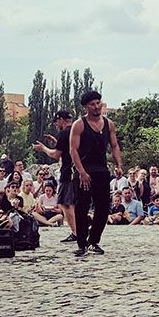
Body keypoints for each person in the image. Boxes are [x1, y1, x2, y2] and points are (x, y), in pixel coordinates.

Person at [69, 91, 122, 257]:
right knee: (82, 208)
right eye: (92, 104)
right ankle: (81, 244)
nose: (97, 106)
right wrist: (81, 172)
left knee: (103, 208)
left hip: (101, 171)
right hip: (84, 171)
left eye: (98, 103)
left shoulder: (109, 124)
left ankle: (93, 241)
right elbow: (73, 150)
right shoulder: (79, 125)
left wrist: (119, 164)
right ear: (86, 107)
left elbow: (114, 145)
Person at [33, 109, 77, 242]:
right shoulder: (76, 130)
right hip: (77, 170)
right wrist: (55, 142)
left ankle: (76, 233)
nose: (56, 125)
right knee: (72, 203)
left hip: (67, 171)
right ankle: (78, 231)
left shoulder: (64, 133)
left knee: (66, 203)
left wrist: (43, 148)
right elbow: (67, 148)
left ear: (61, 120)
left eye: (57, 122)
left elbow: (56, 155)